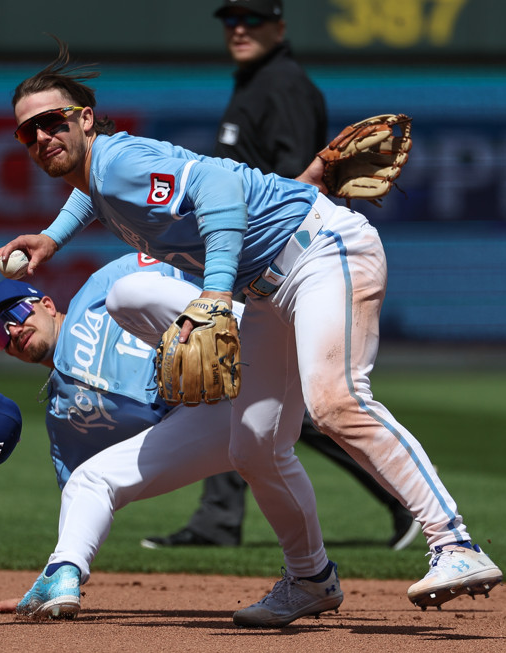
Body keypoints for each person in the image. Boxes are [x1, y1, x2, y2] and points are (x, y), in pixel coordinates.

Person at [0, 38, 503, 626]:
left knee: (336, 401)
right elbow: (94, 197)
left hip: (320, 252)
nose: (39, 139)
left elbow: (219, 190)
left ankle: (456, 544)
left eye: (51, 122)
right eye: (25, 134)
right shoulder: (104, 172)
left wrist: (211, 293)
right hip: (267, 291)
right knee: (253, 443)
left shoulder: (119, 163)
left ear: (84, 119)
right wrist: (51, 238)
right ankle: (311, 579)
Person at [141, 0, 417, 553]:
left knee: (299, 402)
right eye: (230, 20)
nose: (239, 28)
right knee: (231, 382)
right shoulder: (255, 84)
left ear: (280, 27)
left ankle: (406, 498)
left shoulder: (283, 86)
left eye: (253, 20)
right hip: (249, 265)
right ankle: (219, 517)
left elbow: (298, 192)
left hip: (279, 263)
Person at [0, 253, 263, 620]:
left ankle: (272, 329)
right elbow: (81, 499)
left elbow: (178, 258)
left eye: (14, 315)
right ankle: (60, 578)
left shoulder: (99, 287)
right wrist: (54, 568)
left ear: (47, 304)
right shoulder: (62, 416)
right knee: (87, 482)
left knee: (131, 290)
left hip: (234, 350)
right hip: (210, 418)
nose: (10, 332)